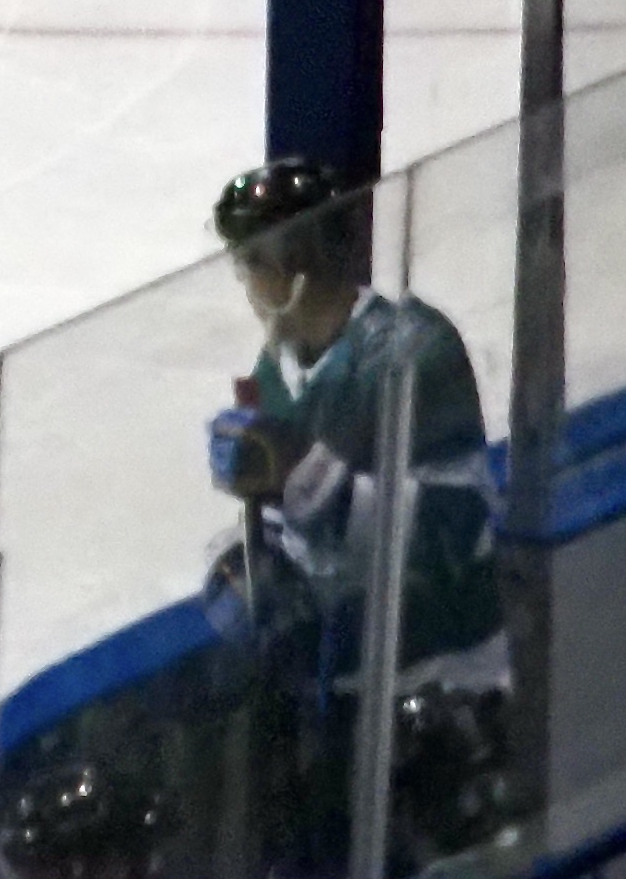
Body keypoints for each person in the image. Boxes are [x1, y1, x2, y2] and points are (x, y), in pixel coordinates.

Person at [203, 154, 511, 865]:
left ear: (294, 264)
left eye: (250, 263)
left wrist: (307, 478)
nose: (246, 284)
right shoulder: (276, 372)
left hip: (445, 691)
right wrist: (243, 569)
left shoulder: (413, 351)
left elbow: (455, 530)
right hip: (343, 700)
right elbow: (292, 535)